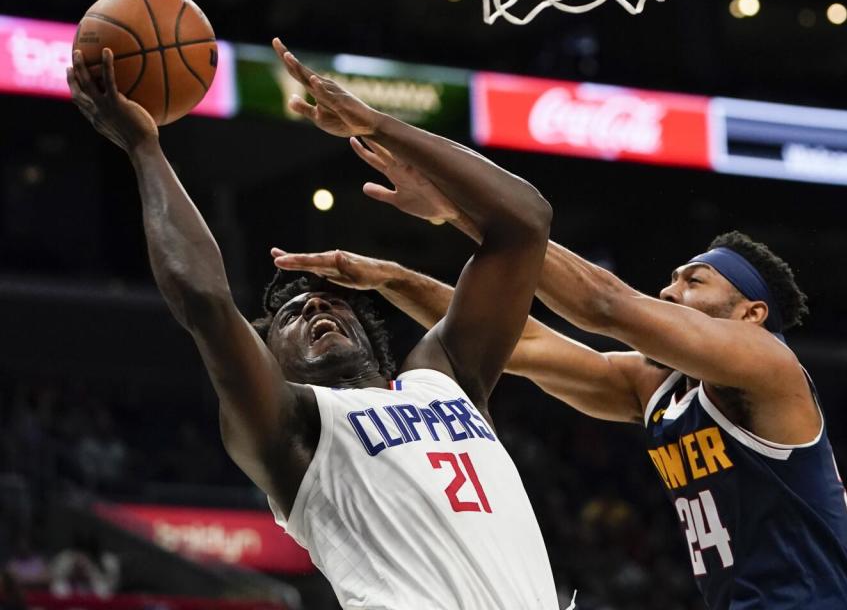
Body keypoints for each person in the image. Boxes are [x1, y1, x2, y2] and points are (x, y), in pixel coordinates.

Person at [66, 39, 566, 610]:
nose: (314, 308)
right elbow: (205, 300)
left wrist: (378, 125)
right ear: (269, 363)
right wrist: (143, 147)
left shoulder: (444, 377)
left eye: (328, 303)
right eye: (289, 316)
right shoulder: (294, 429)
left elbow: (526, 223)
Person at [273, 142, 847, 609]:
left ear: (750, 315)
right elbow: (522, 342)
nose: (669, 290)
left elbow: (603, 304)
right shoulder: (655, 388)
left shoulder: (768, 368)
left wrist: (464, 209)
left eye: (694, 281)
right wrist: (394, 279)